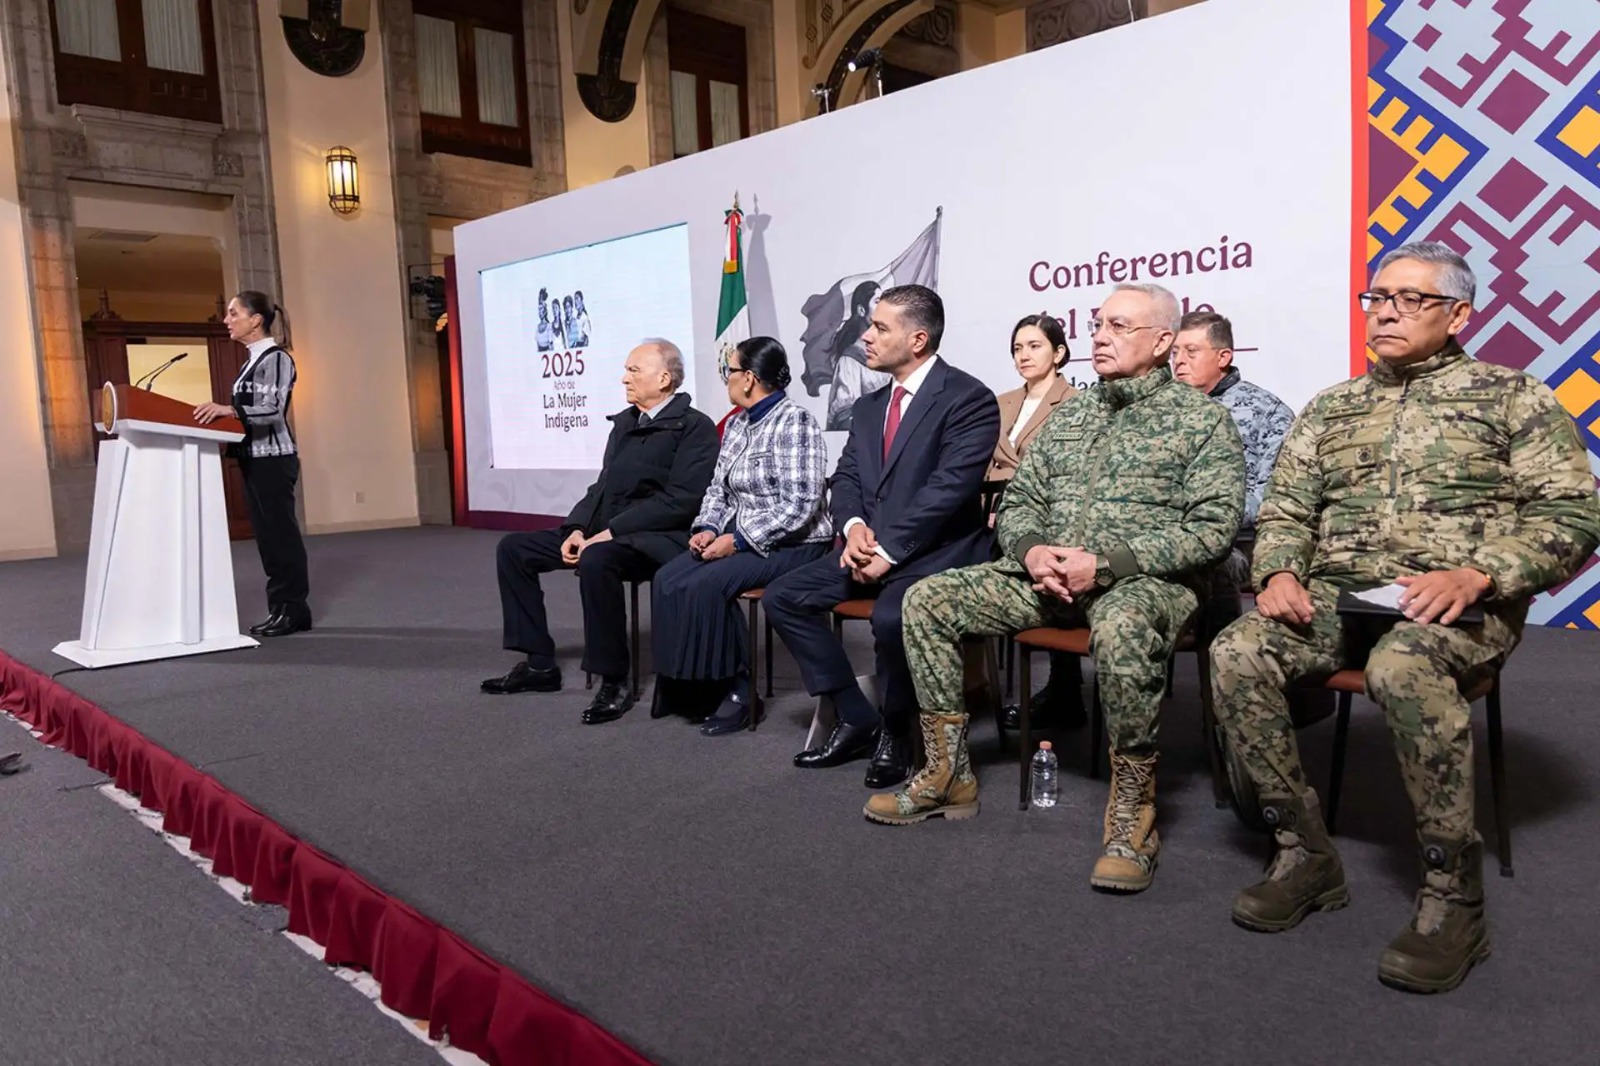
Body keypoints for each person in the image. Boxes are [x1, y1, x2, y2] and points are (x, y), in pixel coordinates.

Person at [1208, 241, 1600, 993]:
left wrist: (1482, 574)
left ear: (1459, 314)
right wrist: (1279, 570)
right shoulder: (1333, 407)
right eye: (1378, 297)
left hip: (1456, 603)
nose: (1386, 311)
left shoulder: (1510, 397)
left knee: (1402, 665)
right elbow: (1285, 509)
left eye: (1411, 299)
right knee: (1238, 650)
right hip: (1339, 598)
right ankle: (1303, 853)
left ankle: (1453, 895)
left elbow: (1571, 515)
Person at [874, 283, 1244, 901]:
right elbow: (1021, 501)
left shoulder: (1202, 420)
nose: (1099, 336)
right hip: (1049, 578)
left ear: (1162, 341)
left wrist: (1106, 564)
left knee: (1123, 627)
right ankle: (947, 774)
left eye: (1118, 326)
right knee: (927, 600)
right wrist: (1032, 552)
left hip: (1142, 582)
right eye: (1098, 324)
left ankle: (1133, 813)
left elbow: (1213, 529)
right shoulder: (1072, 414)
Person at [763, 284, 1000, 789]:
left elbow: (947, 491)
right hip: (868, 548)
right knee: (784, 597)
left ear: (917, 340)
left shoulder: (969, 398)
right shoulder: (869, 406)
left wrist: (888, 550)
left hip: (937, 552)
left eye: (879, 327)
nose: (866, 336)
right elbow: (847, 476)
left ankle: (897, 730)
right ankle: (856, 717)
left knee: (891, 619)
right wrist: (852, 529)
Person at [482, 339, 718, 724]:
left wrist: (610, 533)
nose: (624, 378)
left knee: (597, 558)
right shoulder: (626, 423)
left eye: (633, 370)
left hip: (661, 539)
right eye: (626, 370)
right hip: (609, 533)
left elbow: (681, 501)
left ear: (663, 378)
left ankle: (614, 680)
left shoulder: (695, 427)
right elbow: (602, 488)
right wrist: (576, 527)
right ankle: (539, 665)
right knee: (514, 549)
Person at [650, 337, 833, 735]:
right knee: (667, 578)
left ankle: (738, 692)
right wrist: (707, 528)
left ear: (749, 378)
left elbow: (800, 506)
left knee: (707, 584)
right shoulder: (736, 424)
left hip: (797, 543)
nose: (726, 379)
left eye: (729, 371)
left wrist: (737, 540)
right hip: (742, 536)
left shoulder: (795, 422)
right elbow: (718, 490)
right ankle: (685, 686)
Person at [193, 291, 311, 638]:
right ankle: (280, 609)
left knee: (281, 537)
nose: (226, 320)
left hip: (273, 459)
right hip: (252, 458)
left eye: (234, 313)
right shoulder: (251, 360)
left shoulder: (277, 358)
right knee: (267, 540)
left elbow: (272, 409)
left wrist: (228, 410)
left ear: (256, 320)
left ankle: (293, 610)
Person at [1171, 310, 1294, 636]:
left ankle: (1217, 655)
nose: (1179, 361)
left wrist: (1205, 520)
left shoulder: (1268, 412)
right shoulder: (1162, 410)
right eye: (1175, 351)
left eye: (1191, 351)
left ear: (1223, 357)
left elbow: (1272, 496)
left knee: (1208, 560)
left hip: (1238, 541)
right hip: (1168, 530)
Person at [987, 313, 1082, 733]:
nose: (1023, 355)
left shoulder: (1076, 402)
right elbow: (984, 464)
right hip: (990, 512)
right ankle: (975, 683)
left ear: (1059, 353)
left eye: (1034, 346)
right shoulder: (1001, 402)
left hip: (1044, 514)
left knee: (1049, 564)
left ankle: (1063, 689)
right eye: (1017, 348)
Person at [825, 280, 893, 431]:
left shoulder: (890, 357)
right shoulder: (849, 362)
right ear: (862, 310)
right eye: (877, 302)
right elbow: (844, 416)